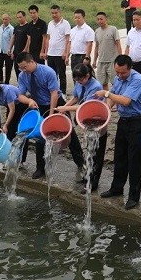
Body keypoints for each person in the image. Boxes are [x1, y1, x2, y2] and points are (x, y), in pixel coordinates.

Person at [15, 52, 85, 179]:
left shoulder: (48, 72)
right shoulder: (22, 76)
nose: (23, 70)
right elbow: (20, 95)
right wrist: (29, 101)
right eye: (21, 68)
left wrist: (52, 114)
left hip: (57, 104)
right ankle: (40, 167)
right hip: (39, 105)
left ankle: (81, 163)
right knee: (40, 134)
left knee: (68, 132)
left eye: (25, 67)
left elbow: (54, 93)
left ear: (32, 61)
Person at [96, 54, 141, 210]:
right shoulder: (118, 78)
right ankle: (116, 188)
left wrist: (106, 94)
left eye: (123, 72)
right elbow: (113, 97)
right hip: (123, 121)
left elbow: (125, 100)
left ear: (130, 68)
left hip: (137, 122)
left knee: (135, 160)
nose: (119, 75)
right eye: (117, 72)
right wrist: (106, 108)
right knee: (119, 156)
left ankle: (133, 196)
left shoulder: (138, 79)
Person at [56, 63, 108, 191]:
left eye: (81, 79)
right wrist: (64, 107)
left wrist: (66, 108)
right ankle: (87, 176)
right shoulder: (79, 83)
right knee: (89, 149)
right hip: (86, 121)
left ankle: (93, 182)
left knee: (97, 152)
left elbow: (86, 106)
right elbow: (76, 97)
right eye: (76, 80)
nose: (79, 82)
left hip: (97, 121)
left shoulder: (96, 86)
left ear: (87, 75)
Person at [42, 4, 71, 93]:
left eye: (56, 13)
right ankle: (53, 92)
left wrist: (65, 53)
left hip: (60, 54)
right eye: (52, 13)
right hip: (51, 53)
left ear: (59, 12)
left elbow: (67, 39)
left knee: (62, 74)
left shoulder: (65, 23)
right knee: (52, 75)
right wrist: (46, 51)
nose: (54, 15)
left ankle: (63, 93)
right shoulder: (50, 23)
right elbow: (48, 38)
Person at [93, 11, 122, 90]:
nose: (100, 21)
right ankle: (106, 97)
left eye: (101, 19)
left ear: (106, 19)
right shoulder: (97, 31)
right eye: (98, 19)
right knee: (102, 83)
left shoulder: (113, 29)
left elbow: (118, 44)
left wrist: (120, 58)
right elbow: (97, 46)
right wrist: (94, 60)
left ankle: (116, 97)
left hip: (112, 61)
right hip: (101, 61)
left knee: (115, 82)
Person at [0, 13, 15, 84]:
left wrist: (12, 52)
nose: (4, 21)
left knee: (8, 67)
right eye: (3, 19)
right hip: (0, 51)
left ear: (9, 19)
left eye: (6, 19)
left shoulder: (11, 29)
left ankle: (7, 82)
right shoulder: (0, 28)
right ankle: (1, 80)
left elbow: (13, 40)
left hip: (8, 51)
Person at [11, 10, 30, 78]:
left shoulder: (28, 26)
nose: (19, 19)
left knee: (25, 70)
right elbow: (13, 38)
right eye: (18, 17)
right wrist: (10, 49)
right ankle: (19, 83)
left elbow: (29, 39)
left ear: (24, 17)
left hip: (23, 52)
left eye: (20, 17)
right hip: (16, 52)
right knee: (17, 69)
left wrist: (25, 49)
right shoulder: (16, 27)